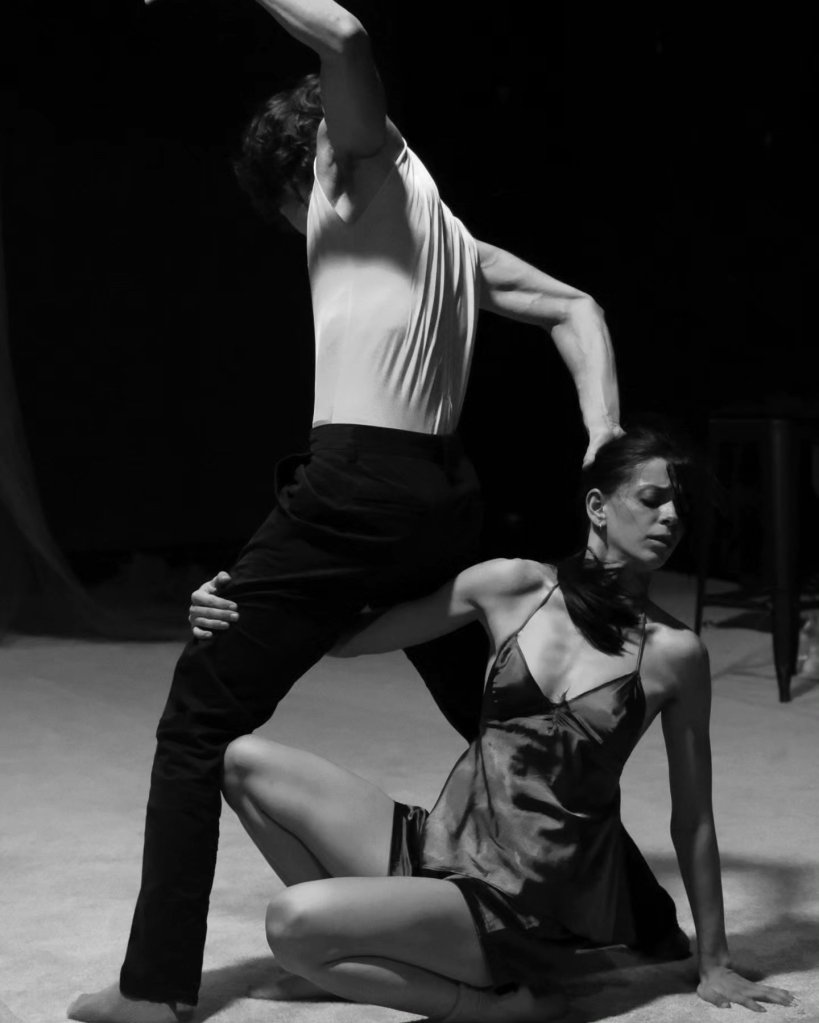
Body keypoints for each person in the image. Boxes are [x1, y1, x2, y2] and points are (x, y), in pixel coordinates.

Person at [67, 2, 626, 1020]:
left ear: (302, 172)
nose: (300, 233)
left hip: (358, 489)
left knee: (197, 721)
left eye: (288, 212)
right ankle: (633, 925)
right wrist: (602, 430)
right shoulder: (449, 240)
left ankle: (154, 994)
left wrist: (254, 588)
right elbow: (573, 307)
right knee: (497, 710)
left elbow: (347, 39)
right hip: (440, 498)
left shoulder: (351, 167)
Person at [186, 427, 795, 1021]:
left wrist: (715, 961)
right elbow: (348, 640)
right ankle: (375, 946)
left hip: (525, 903)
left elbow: (694, 818)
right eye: (653, 499)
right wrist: (235, 597)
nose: (671, 519)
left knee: (291, 921)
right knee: (242, 762)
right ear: (597, 507)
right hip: (441, 849)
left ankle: (488, 1005)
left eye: (680, 508)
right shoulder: (512, 585)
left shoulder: (676, 652)